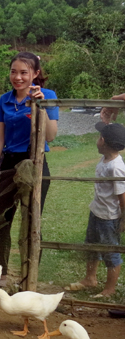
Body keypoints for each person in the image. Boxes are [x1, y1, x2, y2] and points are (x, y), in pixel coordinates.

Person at [0, 52, 59, 286]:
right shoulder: (5, 100)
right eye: (14, 72)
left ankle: (30, 274)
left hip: (35, 163)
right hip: (8, 165)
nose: (18, 77)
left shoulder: (48, 96)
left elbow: (51, 136)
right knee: (1, 220)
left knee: (32, 220)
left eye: (24, 72)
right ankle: (1, 274)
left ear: (35, 74)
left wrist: (40, 105)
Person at [66, 122, 125, 297]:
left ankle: (110, 288)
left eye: (99, 137)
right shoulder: (106, 158)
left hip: (109, 218)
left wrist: (123, 220)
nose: (97, 140)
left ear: (104, 142)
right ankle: (90, 279)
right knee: (91, 246)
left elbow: (123, 198)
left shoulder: (116, 168)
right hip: (97, 211)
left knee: (110, 252)